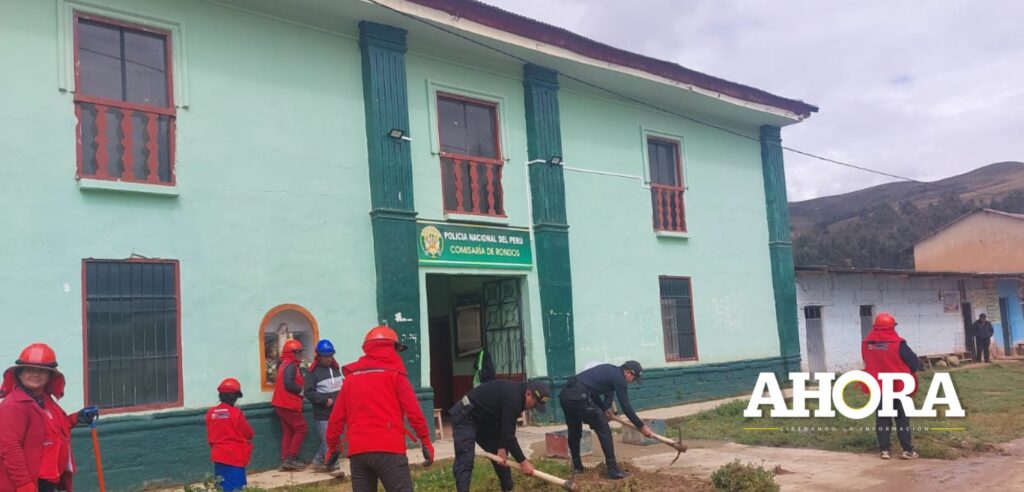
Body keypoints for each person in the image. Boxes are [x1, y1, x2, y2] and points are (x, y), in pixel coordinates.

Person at [325, 326, 434, 492]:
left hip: (358, 452)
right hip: (389, 450)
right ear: (392, 348)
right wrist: (425, 440)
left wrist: (332, 447)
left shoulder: (351, 378)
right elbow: (414, 412)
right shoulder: (395, 375)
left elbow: (336, 418)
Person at [0, 343, 98, 492]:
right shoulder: (13, 405)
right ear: (19, 374)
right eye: (30, 370)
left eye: (42, 371)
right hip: (29, 482)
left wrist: (77, 418)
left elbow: (51, 427)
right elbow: (10, 448)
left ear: (50, 376)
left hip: (48, 478)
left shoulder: (44, 399)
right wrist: (24, 485)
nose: (36, 375)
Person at [450, 380, 550, 492]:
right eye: (535, 404)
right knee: (465, 459)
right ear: (528, 394)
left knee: (502, 458)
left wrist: (501, 447)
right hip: (465, 415)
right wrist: (523, 462)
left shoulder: (519, 397)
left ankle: (507, 488)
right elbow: (509, 436)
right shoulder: (514, 398)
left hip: (484, 420)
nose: (533, 408)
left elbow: (505, 425)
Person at [560, 360, 652, 479]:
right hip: (579, 397)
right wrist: (642, 426)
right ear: (629, 373)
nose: (631, 382)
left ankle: (577, 468)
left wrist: (604, 409)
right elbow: (626, 406)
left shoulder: (610, 370)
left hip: (566, 395)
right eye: (633, 379)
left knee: (574, 431)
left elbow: (591, 392)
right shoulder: (619, 379)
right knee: (604, 428)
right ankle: (613, 469)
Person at [860, 312, 921, 460]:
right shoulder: (898, 344)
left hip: (879, 387)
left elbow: (867, 362)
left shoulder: (867, 343)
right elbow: (914, 363)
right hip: (898, 386)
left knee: (882, 418)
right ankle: (907, 451)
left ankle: (885, 451)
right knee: (901, 418)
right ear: (891, 327)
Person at [205, 378, 254, 492]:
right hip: (235, 456)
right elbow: (249, 434)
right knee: (236, 488)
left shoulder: (210, 413)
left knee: (221, 486)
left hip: (218, 455)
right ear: (235, 397)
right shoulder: (236, 414)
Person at [304, 339, 343, 473]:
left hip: (337, 412)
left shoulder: (335, 368)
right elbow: (308, 392)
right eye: (326, 356)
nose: (329, 359)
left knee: (335, 438)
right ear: (319, 356)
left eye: (331, 355)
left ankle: (317, 462)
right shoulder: (312, 372)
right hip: (323, 414)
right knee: (327, 440)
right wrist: (324, 400)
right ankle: (331, 465)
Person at [271, 338, 307, 471]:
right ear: (293, 353)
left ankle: (285, 459)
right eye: (298, 353)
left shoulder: (284, 364)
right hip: (288, 404)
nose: (300, 355)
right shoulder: (291, 365)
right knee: (301, 428)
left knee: (288, 432)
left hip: (280, 404)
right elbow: (289, 384)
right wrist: (302, 390)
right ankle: (291, 459)